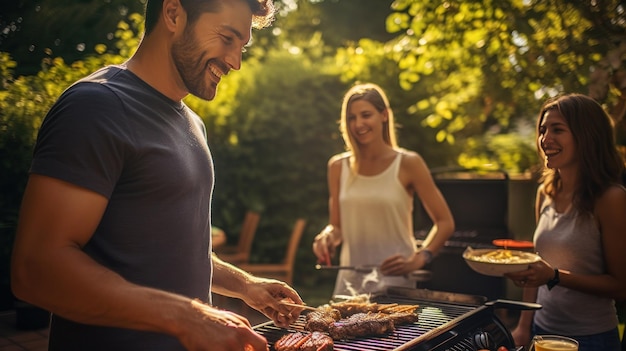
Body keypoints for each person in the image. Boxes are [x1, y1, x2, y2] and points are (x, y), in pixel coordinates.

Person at [10, 1, 304, 350]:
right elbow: (36, 268)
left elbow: (173, 251)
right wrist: (188, 316)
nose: (235, 62)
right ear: (173, 13)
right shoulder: (96, 106)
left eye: (241, 47)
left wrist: (244, 285)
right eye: (227, 38)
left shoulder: (193, 124)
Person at [505, 94, 626, 350]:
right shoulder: (544, 193)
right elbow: (537, 266)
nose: (545, 139)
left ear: (587, 136)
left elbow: (620, 285)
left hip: (591, 340)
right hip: (541, 332)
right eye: (542, 130)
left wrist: (555, 276)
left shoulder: (610, 199)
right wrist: (524, 326)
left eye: (557, 130)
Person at [311, 83, 455, 297]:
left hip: (396, 285)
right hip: (350, 286)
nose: (358, 123)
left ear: (384, 115)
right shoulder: (337, 167)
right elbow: (337, 227)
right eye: (351, 117)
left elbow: (445, 222)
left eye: (366, 115)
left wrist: (420, 258)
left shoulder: (408, 163)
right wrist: (327, 237)